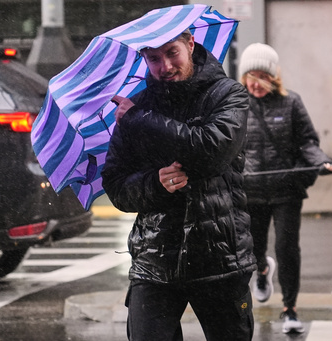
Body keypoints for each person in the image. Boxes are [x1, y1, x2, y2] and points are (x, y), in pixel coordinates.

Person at [101, 30, 256, 341]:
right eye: (154, 58)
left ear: (190, 45)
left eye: (172, 53)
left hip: (220, 257)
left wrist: (140, 120)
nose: (165, 66)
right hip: (155, 260)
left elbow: (210, 152)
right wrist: (154, 184)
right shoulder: (137, 106)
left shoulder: (228, 94)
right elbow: (116, 185)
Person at [238, 43, 332, 334]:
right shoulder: (236, 105)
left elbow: (308, 142)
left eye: (262, 76)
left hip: (286, 191)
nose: (256, 83)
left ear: (274, 77)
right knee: (253, 248)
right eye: (251, 76)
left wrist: (323, 162)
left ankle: (290, 309)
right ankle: (262, 270)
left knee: (287, 248)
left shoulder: (291, 102)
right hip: (251, 190)